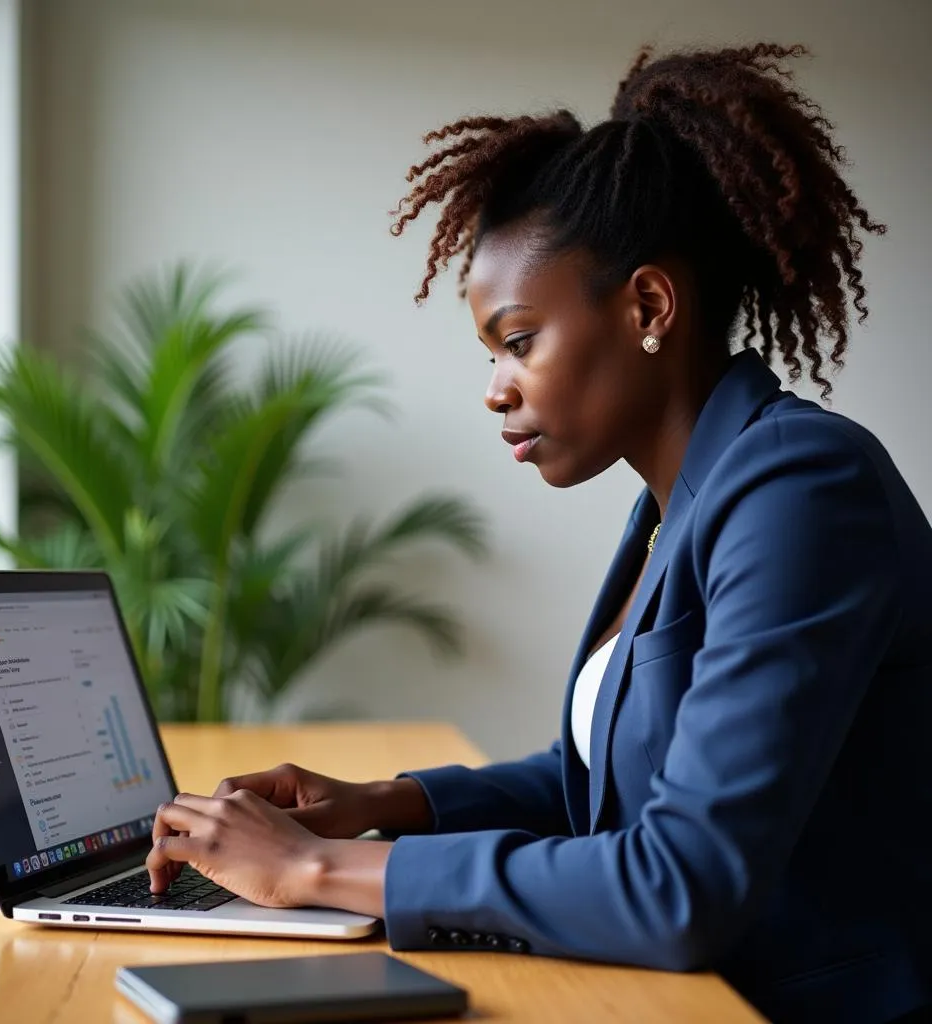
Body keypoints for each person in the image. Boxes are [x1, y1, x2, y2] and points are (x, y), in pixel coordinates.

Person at [145, 44, 932, 1024]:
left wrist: (312, 865)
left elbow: (677, 882)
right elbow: (596, 780)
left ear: (648, 305)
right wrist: (376, 804)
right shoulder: (683, 501)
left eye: (518, 342)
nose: (494, 389)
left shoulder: (801, 489)